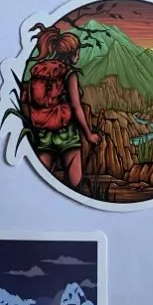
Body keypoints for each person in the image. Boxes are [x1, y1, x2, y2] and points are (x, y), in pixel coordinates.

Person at [20, 24, 101, 190]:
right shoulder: (69, 73)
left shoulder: (39, 70)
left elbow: (27, 99)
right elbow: (76, 107)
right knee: (75, 183)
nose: (79, 55)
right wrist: (89, 134)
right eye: (78, 51)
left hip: (43, 132)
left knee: (39, 178)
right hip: (66, 132)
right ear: (72, 53)